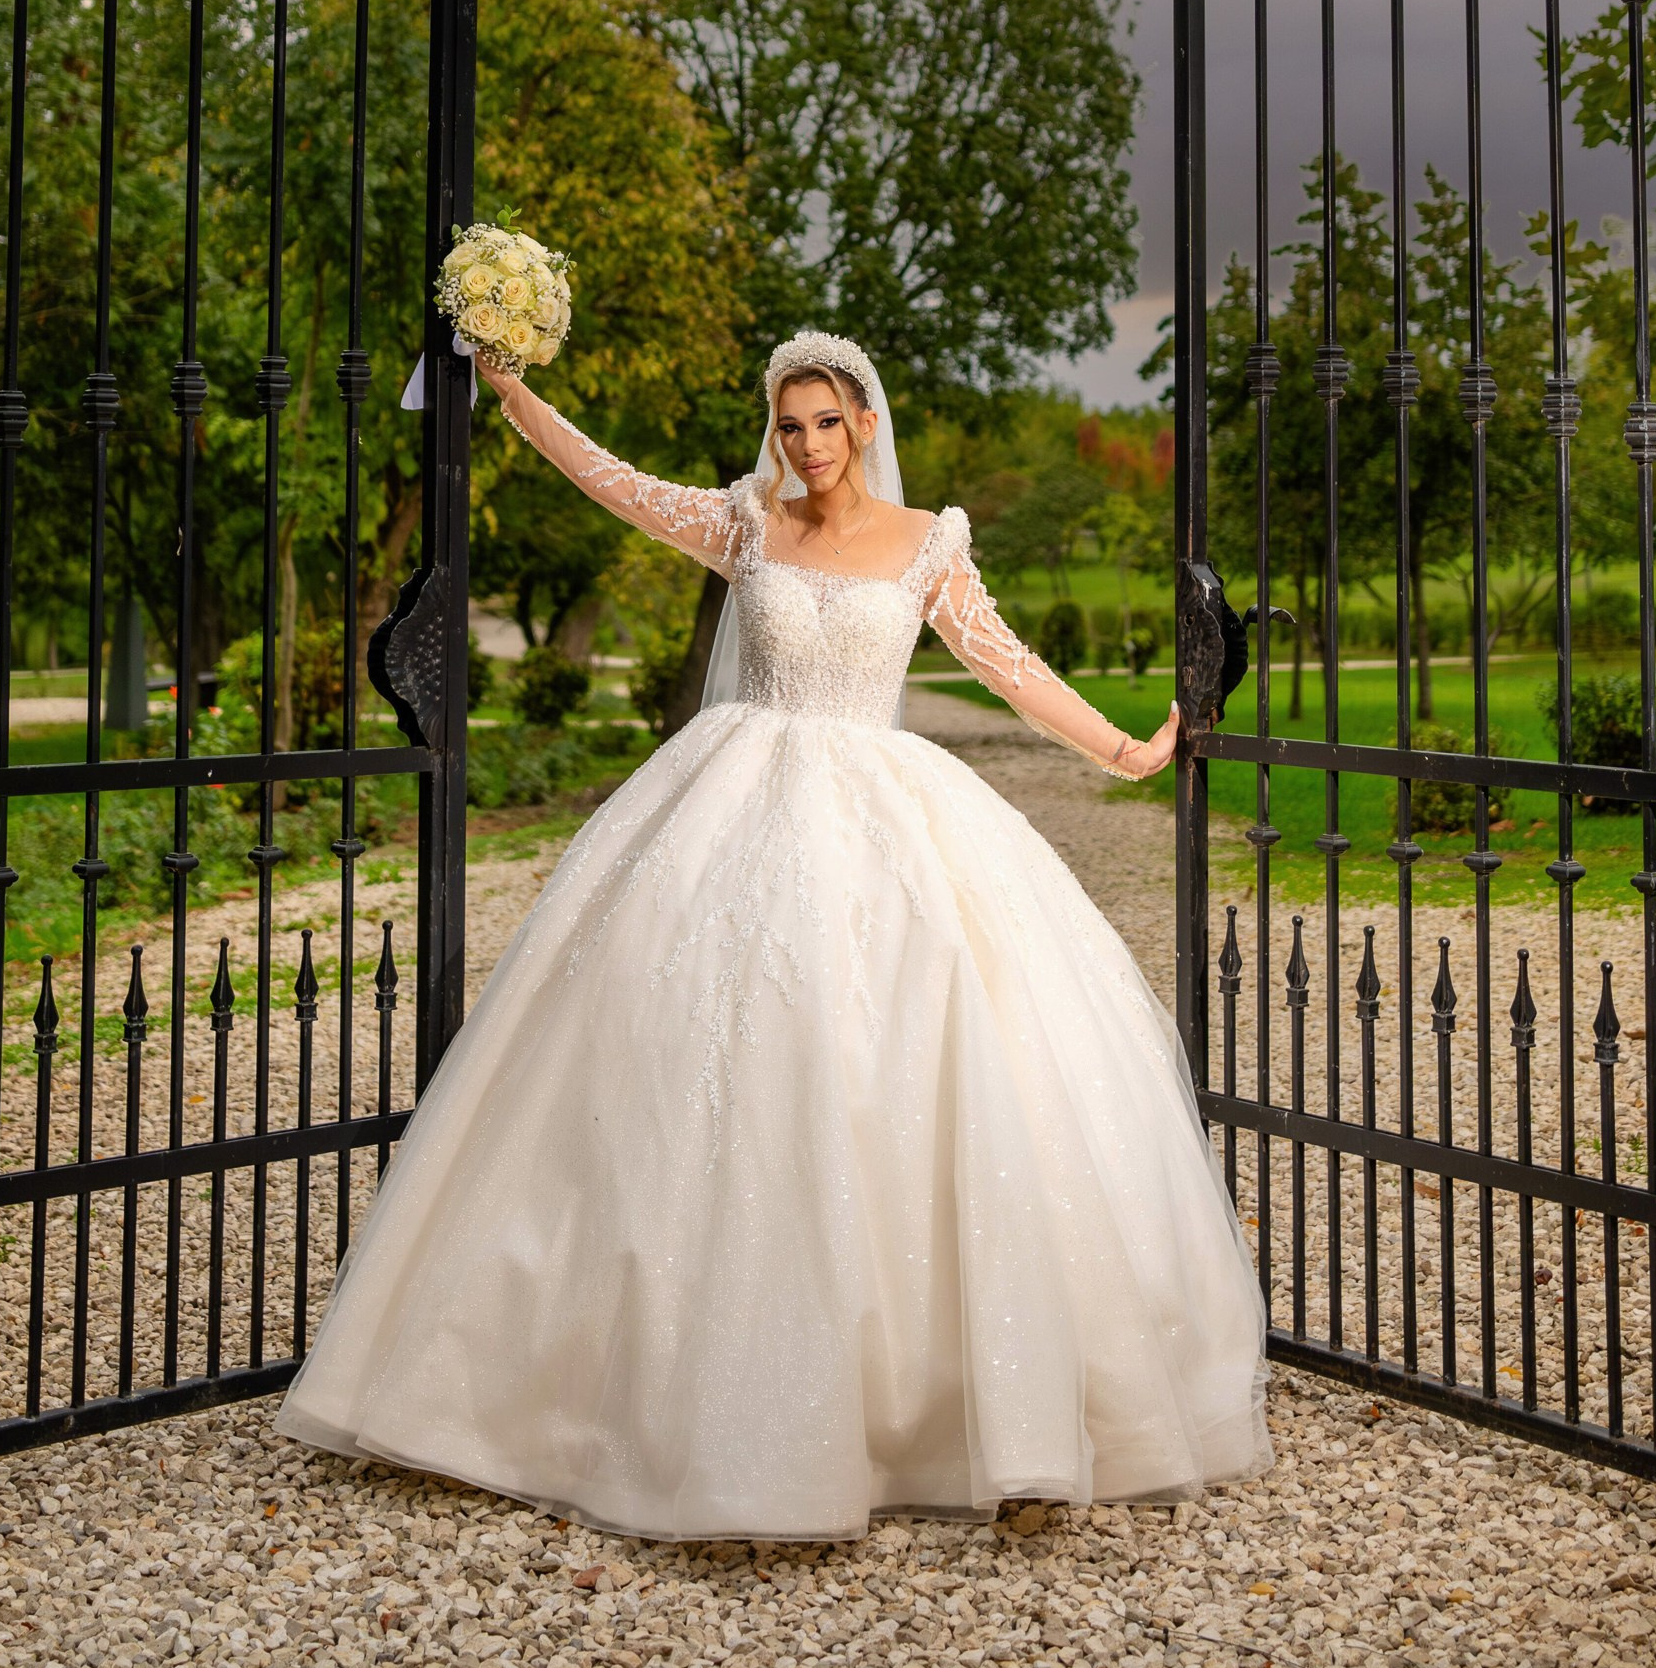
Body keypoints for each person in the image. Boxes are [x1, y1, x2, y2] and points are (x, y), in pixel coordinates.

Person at [279, 329, 1268, 1538]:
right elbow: (612, 482)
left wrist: (1121, 749)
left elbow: (1004, 664)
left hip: (883, 815)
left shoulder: (927, 543)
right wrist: (511, 392)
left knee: (913, 1054)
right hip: (728, 803)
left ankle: (943, 1410)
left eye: (822, 423)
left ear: (863, 423)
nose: (803, 445)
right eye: (786, 424)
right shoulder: (745, 520)